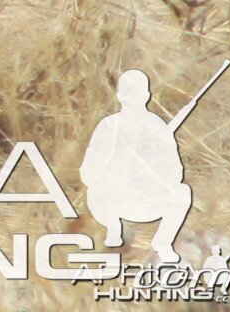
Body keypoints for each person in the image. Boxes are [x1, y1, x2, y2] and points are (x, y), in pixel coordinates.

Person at [83, 69, 196, 264]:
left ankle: (163, 243)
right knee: (103, 186)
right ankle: (113, 231)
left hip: (148, 201)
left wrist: (154, 176)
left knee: (182, 192)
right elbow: (88, 173)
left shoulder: (157, 127)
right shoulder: (109, 126)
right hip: (113, 203)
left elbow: (175, 172)